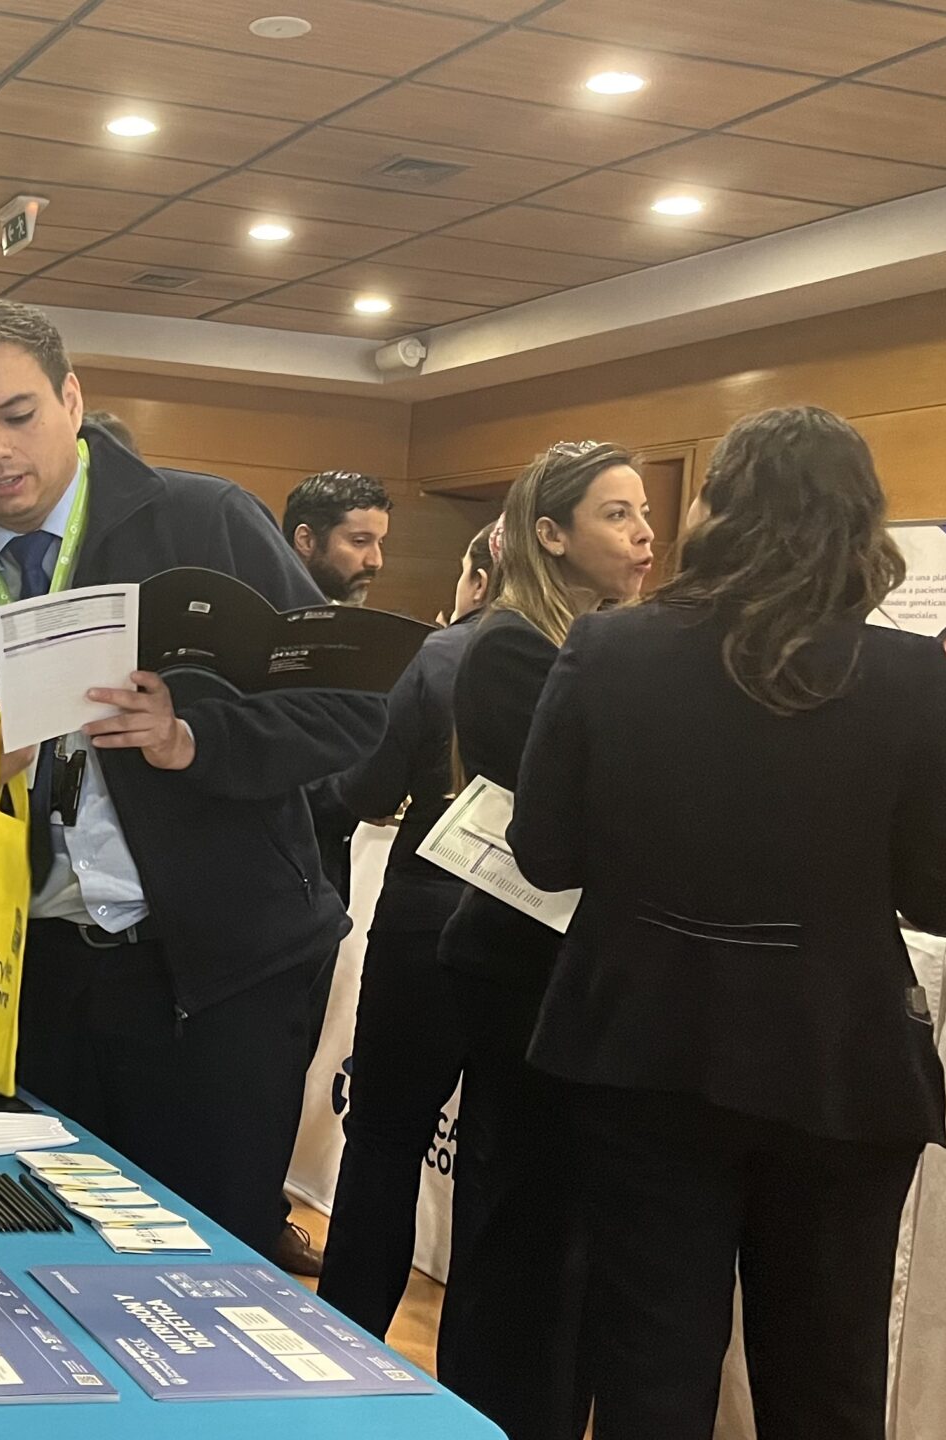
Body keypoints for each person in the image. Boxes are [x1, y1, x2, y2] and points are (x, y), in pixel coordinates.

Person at [510, 406, 946, 1440]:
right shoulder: (911, 677)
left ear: (716, 511)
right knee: (826, 1380)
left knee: (648, 1368)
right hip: (834, 1059)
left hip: (641, 1045)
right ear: (862, 524)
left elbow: (543, 854)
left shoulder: (608, 648)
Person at [0, 299, 382, 1277]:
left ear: (71, 400)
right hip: (38, 980)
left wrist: (192, 737)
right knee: (44, 1261)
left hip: (218, 978)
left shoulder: (203, 520)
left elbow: (349, 712)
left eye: (18, 414)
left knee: (205, 1270)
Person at [434, 439, 654, 1440]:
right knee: (522, 1233)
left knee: (572, 1239)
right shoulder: (514, 647)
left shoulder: (604, 643)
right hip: (524, 968)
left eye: (645, 513)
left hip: (583, 972)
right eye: (617, 514)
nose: (644, 536)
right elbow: (588, 810)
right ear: (551, 534)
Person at [315, 521, 499, 1340]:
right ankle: (481, 1379)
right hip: (538, 929)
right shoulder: (592, 658)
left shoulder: (439, 654)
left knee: (384, 1141)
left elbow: (366, 790)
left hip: (428, 910)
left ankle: (349, 1342)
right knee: (503, 1163)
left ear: (478, 578)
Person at [282, 470, 393, 606]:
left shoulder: (342, 616)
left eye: (380, 542)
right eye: (360, 541)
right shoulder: (261, 613)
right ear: (306, 541)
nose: (376, 562)